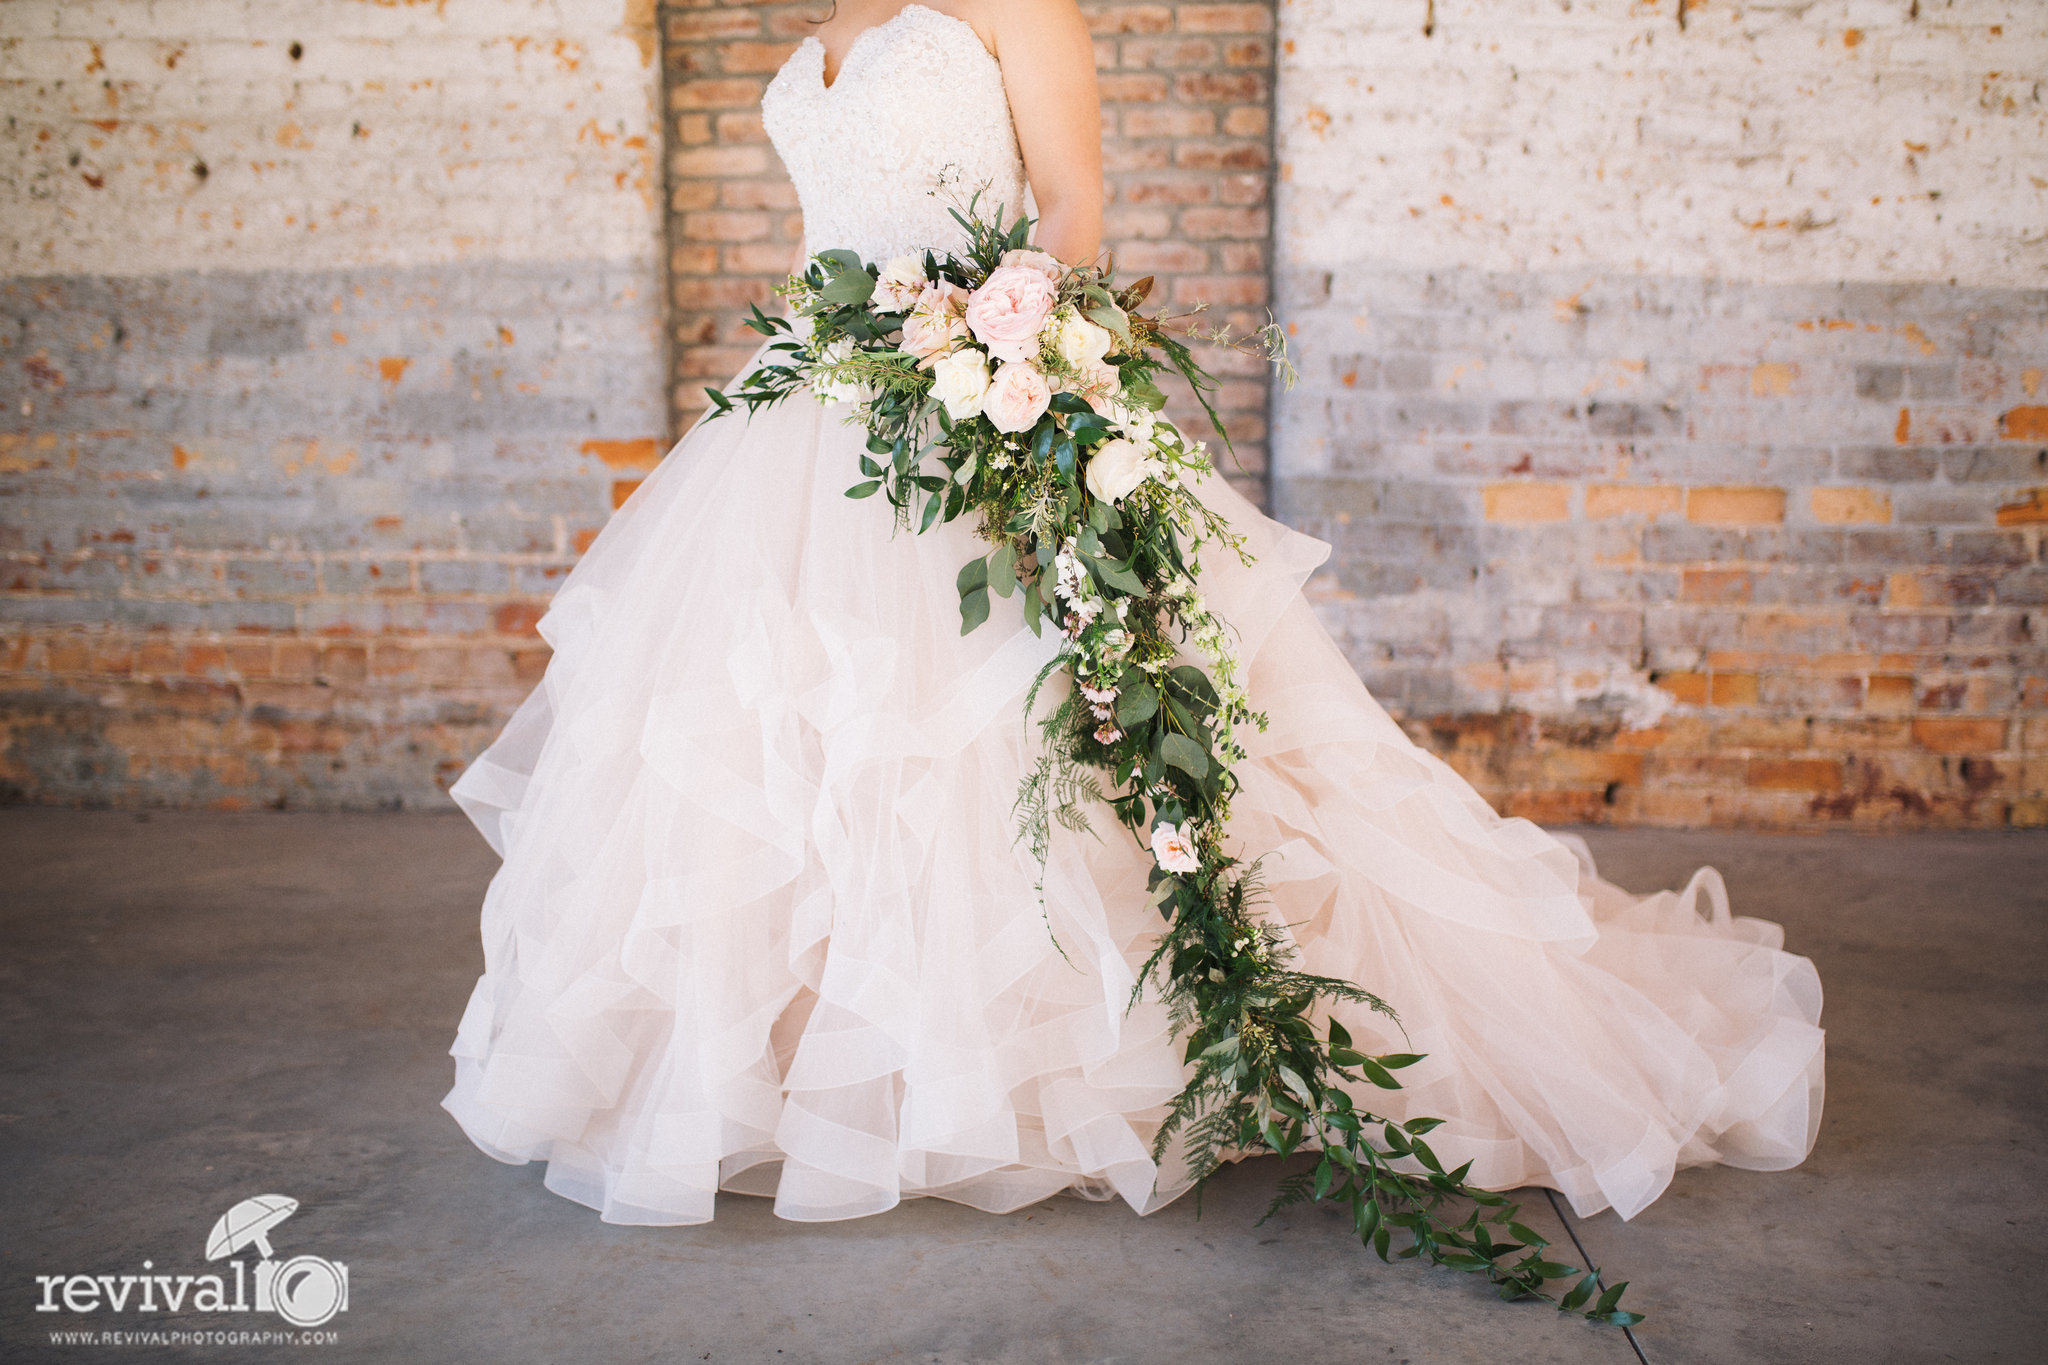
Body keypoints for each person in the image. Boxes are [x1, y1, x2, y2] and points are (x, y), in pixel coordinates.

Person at [441, 0, 1824, 1229]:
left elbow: (1073, 210)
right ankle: (825, 1063)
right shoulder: (825, 21)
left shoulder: (1016, 4)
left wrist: (991, 358)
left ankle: (1141, 1046)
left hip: (976, 397)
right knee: (805, 740)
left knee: (1059, 737)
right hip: (811, 418)